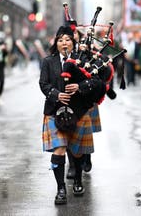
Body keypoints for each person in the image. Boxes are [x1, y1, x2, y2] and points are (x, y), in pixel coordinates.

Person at [40, 23, 95, 205]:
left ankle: (78, 178)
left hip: (78, 111)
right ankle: (61, 188)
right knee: (59, 149)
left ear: (74, 42)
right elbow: (43, 84)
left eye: (68, 40)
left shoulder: (83, 60)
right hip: (55, 111)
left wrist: (80, 86)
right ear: (56, 43)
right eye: (60, 40)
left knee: (77, 152)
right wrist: (57, 95)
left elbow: (95, 81)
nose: (64, 43)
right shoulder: (48, 62)